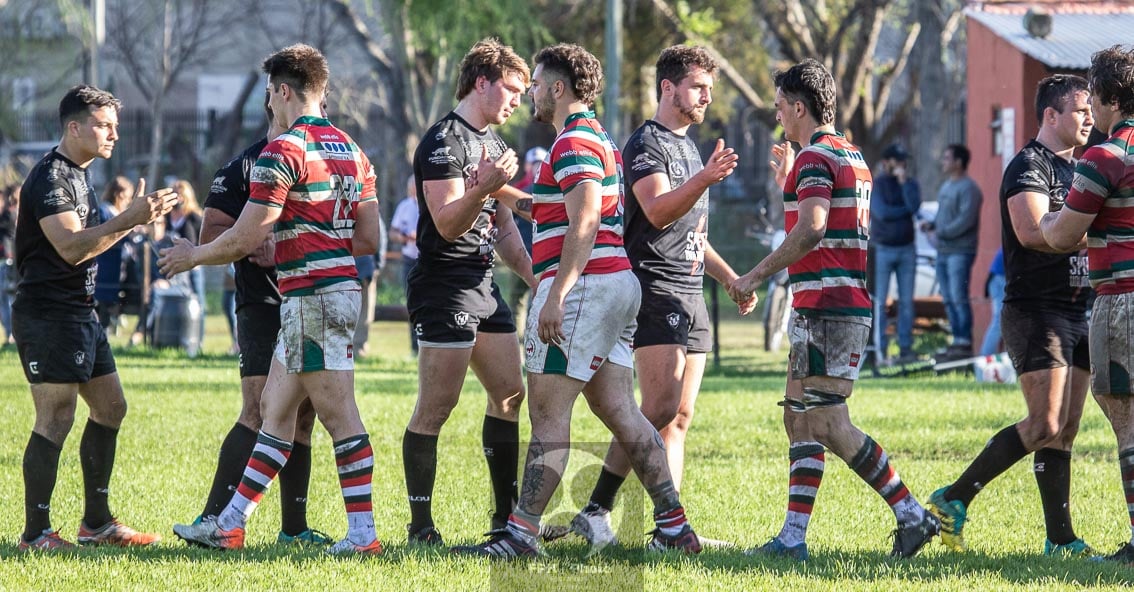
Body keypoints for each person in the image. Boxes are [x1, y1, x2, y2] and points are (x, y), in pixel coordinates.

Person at [453, 42, 703, 558]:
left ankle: (520, 536)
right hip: (615, 284)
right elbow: (550, 211)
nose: (533, 94)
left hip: (586, 286)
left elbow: (585, 219)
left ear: (559, 87)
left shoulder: (572, 143)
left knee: (547, 415)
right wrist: (497, 190)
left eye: (539, 84)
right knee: (620, 410)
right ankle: (675, 526)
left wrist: (556, 295)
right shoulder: (595, 139)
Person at [163, 43, 383, 555]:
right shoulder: (353, 150)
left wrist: (192, 256)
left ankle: (364, 536)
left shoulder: (281, 151)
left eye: (269, 93)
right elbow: (370, 239)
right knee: (275, 409)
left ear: (282, 91)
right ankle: (230, 524)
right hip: (332, 292)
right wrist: (323, 234)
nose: (269, 102)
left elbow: (244, 237)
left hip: (312, 297)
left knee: (339, 415)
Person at [730, 59, 939, 561]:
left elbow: (815, 228)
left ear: (799, 106)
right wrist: (789, 182)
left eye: (781, 105)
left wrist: (755, 274)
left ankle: (912, 514)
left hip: (829, 307)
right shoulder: (847, 153)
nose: (778, 114)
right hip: (823, 305)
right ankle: (792, 539)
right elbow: (819, 219)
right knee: (798, 419)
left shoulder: (815, 158)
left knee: (827, 424)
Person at [568, 45, 752, 550]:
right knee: (659, 405)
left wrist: (730, 279)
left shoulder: (692, 149)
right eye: (698, 87)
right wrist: (705, 178)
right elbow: (654, 212)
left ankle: (669, 530)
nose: (706, 97)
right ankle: (598, 508)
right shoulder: (645, 143)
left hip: (690, 289)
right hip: (656, 287)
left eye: (709, 89)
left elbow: (693, 232)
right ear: (668, 88)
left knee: (679, 417)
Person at [926, 74, 1097, 558]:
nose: (1089, 118)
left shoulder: (1083, 168)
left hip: (1078, 308)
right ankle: (953, 497)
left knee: (1065, 430)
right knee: (1043, 424)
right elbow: (1031, 231)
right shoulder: (1029, 165)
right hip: (1035, 310)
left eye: (1090, 110)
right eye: (1081, 110)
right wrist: (1092, 234)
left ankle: (1060, 540)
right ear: (1051, 115)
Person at [13, 84, 177, 551]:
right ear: (74, 127)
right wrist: (129, 219)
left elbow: (89, 244)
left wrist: (130, 220)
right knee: (56, 416)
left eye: (115, 127)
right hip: (48, 315)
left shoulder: (80, 175)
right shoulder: (50, 179)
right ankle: (36, 534)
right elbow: (68, 248)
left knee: (110, 408)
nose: (113, 135)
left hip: (80, 313)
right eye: (104, 126)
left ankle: (97, 524)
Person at [173, 93, 331, 546]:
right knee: (260, 408)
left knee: (303, 416)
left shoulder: (321, 157)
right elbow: (211, 235)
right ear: (276, 103)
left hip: (310, 300)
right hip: (261, 304)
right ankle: (213, 520)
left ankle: (294, 530)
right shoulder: (240, 167)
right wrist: (250, 244)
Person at [401, 38, 535, 545]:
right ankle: (421, 527)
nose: (518, 99)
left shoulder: (496, 147)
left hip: (483, 284)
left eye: (524, 91)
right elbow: (449, 222)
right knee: (438, 406)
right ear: (482, 82)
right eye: (512, 88)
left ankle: (506, 521)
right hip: (444, 285)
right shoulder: (443, 141)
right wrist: (484, 187)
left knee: (509, 394)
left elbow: (503, 229)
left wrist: (539, 279)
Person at [1039, 44, 1134, 564]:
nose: (1089, 107)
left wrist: (1051, 222)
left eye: (1093, 95)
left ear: (1108, 96)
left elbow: (1060, 235)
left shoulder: (1104, 156)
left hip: (1121, 299)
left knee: (1126, 417)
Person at [925, 144, 982, 358]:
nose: (943, 162)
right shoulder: (946, 186)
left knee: (959, 296)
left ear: (959, 162)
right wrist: (931, 225)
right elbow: (942, 216)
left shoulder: (970, 189)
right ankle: (956, 340)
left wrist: (941, 231)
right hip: (943, 251)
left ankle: (964, 342)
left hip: (961, 251)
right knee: (948, 297)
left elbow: (965, 221)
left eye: (947, 158)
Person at [869, 143, 921, 363]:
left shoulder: (910, 184)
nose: (901, 164)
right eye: (897, 160)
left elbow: (915, 207)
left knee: (906, 302)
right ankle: (879, 350)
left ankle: (906, 350)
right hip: (883, 249)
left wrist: (904, 185)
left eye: (903, 161)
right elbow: (881, 213)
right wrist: (905, 210)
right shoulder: (878, 184)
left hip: (907, 249)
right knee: (879, 302)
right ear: (886, 162)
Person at [93, 176, 135, 333]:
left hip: (118, 267)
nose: (128, 200)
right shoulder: (104, 211)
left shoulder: (117, 212)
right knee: (103, 300)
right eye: (128, 196)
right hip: (105, 265)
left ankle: (113, 322)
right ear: (119, 194)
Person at [390, 174, 420, 354]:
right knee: (412, 302)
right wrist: (403, 237)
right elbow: (393, 232)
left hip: (429, 259)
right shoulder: (405, 206)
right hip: (409, 258)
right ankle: (414, 346)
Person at [0, 184, 20, 344]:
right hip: (13, 259)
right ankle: (11, 333)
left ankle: (11, 333)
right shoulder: (15, 213)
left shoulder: (9, 214)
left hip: (8, 259)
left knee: (6, 298)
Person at [979, 248, 1005, 356]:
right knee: (999, 321)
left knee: (1000, 321)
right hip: (1001, 278)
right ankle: (985, 358)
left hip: (998, 277)